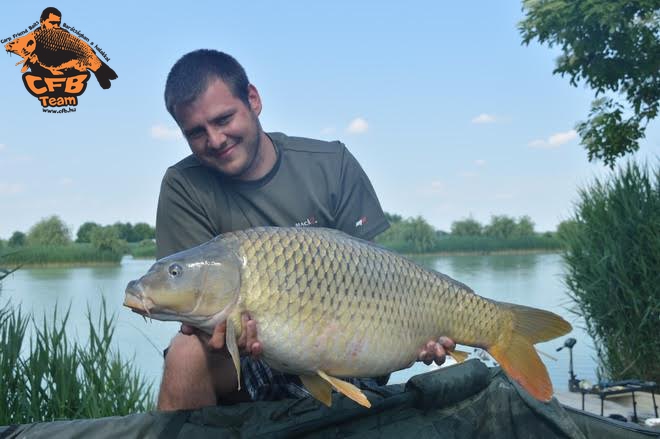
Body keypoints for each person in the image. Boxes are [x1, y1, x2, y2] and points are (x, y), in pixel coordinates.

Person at [156, 49, 455, 410]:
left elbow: (380, 276)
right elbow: (195, 310)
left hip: (351, 338)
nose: (215, 139)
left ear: (253, 99)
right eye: (196, 132)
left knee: (410, 329)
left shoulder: (331, 163)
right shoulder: (184, 185)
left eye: (223, 119)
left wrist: (420, 333)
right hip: (251, 356)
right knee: (185, 354)